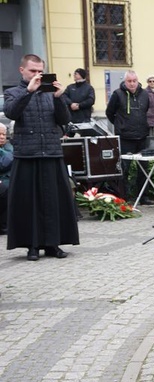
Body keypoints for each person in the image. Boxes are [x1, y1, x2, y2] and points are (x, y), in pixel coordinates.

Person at [4, 54, 78, 261]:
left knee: (53, 202)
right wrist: (28, 92)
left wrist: (59, 98)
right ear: (22, 71)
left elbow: (64, 119)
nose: (37, 75)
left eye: (40, 72)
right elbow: (11, 113)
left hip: (51, 153)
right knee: (29, 203)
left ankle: (53, 244)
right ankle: (32, 246)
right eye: (32, 71)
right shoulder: (13, 92)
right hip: (27, 154)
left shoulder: (51, 93)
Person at [105, 70, 152, 204]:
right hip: (125, 138)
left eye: (134, 81)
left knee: (143, 169)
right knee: (124, 169)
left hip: (142, 136)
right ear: (125, 82)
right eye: (129, 81)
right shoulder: (117, 94)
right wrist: (120, 125)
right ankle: (123, 197)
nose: (132, 84)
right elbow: (110, 113)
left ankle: (143, 197)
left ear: (138, 81)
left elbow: (146, 110)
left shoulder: (144, 94)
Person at [0, 123, 13, 234]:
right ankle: (4, 226)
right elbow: (2, 165)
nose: (2, 137)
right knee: (5, 188)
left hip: (10, 178)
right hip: (4, 180)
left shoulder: (9, 148)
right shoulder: (10, 151)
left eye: (4, 134)